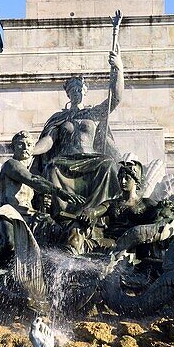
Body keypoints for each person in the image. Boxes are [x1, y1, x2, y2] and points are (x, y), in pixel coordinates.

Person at [31, 12, 126, 214]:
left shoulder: (93, 114)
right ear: (68, 93)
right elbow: (49, 141)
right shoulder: (60, 118)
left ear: (85, 91)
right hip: (66, 160)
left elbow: (115, 98)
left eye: (80, 89)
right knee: (51, 168)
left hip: (91, 159)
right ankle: (63, 214)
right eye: (73, 89)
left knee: (109, 165)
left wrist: (119, 69)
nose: (77, 92)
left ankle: (96, 212)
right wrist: (32, 149)